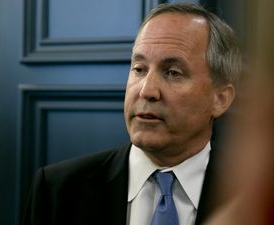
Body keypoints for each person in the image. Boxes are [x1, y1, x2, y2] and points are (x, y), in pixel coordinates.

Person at [22, 3, 242, 225]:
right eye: (139, 69)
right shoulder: (56, 191)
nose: (146, 91)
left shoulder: (252, 198)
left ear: (220, 99)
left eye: (173, 73)